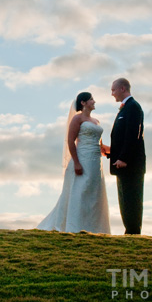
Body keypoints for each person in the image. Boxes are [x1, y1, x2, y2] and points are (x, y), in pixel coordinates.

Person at [36, 92, 110, 234]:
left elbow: (100, 144)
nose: (94, 101)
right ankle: (75, 225)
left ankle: (93, 227)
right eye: (91, 99)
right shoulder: (77, 119)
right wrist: (76, 162)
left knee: (94, 192)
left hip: (96, 161)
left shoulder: (96, 121)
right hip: (82, 159)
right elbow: (71, 141)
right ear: (83, 102)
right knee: (80, 190)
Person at [100, 78, 145, 235]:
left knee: (132, 199)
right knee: (125, 200)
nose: (111, 94)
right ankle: (130, 231)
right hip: (122, 165)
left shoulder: (133, 107)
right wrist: (110, 152)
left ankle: (133, 232)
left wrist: (124, 158)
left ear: (123, 88)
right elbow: (123, 139)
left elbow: (134, 135)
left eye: (113, 90)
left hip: (131, 166)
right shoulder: (125, 109)